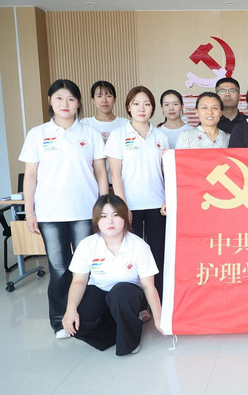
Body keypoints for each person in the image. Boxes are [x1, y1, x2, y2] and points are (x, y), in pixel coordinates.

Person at [19, 79, 109, 339]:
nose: (65, 103)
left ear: (78, 103)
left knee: (88, 268)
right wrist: (29, 211)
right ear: (50, 101)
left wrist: (104, 208)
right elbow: (30, 176)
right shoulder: (37, 134)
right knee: (59, 269)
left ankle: (88, 317)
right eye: (59, 98)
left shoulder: (90, 134)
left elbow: (100, 172)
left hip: (85, 212)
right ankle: (60, 322)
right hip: (50, 213)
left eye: (70, 98)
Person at [62, 194, 163, 356]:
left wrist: (159, 319)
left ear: (125, 218)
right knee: (79, 321)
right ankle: (120, 330)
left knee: (120, 292)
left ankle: (129, 340)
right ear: (96, 220)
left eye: (115, 215)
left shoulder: (139, 246)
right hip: (100, 291)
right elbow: (79, 281)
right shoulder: (87, 245)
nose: (110, 222)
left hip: (128, 296)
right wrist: (70, 310)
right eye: (103, 216)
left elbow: (148, 286)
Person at [105, 86, 169, 298]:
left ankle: (158, 301)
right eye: (136, 104)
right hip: (130, 205)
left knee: (157, 253)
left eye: (147, 104)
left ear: (153, 108)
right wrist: (122, 207)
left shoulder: (160, 136)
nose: (142, 108)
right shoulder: (118, 135)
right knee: (131, 255)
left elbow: (166, 173)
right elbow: (115, 174)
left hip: (157, 205)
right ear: (128, 107)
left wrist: (168, 199)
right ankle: (136, 302)